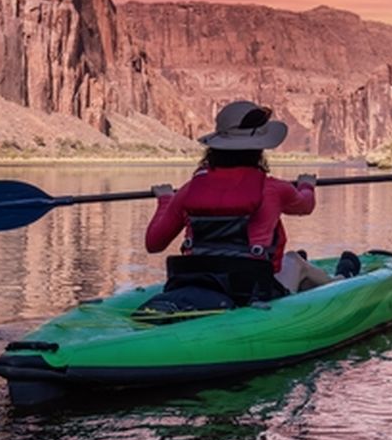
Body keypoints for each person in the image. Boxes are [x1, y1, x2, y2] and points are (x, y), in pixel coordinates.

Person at [143, 101, 357, 309]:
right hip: (253, 291)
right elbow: (305, 206)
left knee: (291, 260)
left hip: (199, 280)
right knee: (295, 261)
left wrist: (165, 199)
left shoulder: (188, 191)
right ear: (259, 150)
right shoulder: (273, 189)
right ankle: (342, 280)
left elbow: (154, 243)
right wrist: (307, 185)